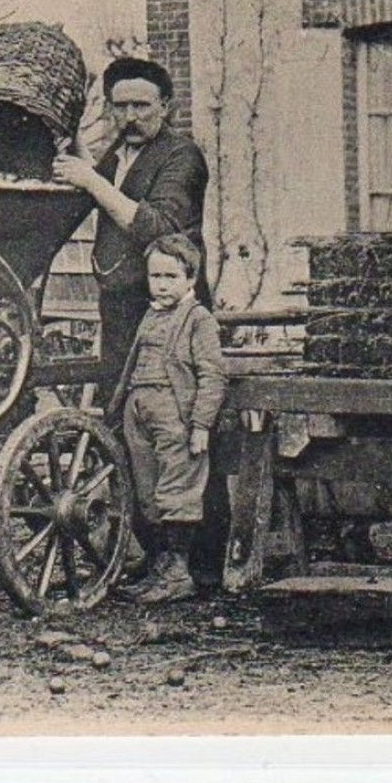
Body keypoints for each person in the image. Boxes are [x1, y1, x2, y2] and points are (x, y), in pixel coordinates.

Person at [52, 56, 210, 387]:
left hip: (167, 309)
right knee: (116, 402)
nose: (130, 117)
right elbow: (104, 188)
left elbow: (159, 228)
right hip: (120, 305)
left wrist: (91, 181)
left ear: (164, 107)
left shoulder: (182, 155)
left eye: (141, 106)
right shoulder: (120, 153)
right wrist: (75, 136)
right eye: (120, 107)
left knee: (161, 405)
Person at [106, 234, 227, 604]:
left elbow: (213, 375)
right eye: (155, 275)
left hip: (175, 413)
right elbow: (132, 364)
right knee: (147, 493)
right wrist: (118, 407)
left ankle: (178, 575)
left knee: (177, 491)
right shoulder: (151, 313)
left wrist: (201, 425)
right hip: (139, 409)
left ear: (190, 279)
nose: (160, 284)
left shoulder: (198, 319)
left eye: (170, 277)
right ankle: (159, 570)